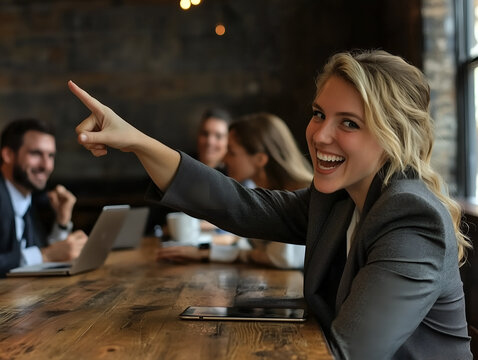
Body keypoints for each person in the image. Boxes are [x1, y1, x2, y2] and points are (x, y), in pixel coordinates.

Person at [69, 49, 473, 359]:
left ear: (393, 137)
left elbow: (350, 353)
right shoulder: (340, 200)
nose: (320, 135)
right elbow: (237, 204)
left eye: (349, 123)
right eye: (319, 114)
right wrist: (137, 141)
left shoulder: (409, 217)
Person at [156, 112, 312, 268]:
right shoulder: (265, 193)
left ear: (260, 159)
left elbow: (279, 257)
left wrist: (209, 252)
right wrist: (205, 252)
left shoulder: (299, 197)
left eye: (231, 152)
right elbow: (251, 246)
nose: (224, 159)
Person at [0, 118, 87, 277]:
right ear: (8, 155)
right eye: (36, 153)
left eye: (51, 156)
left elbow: (43, 259)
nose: (46, 166)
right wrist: (44, 255)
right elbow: (43, 256)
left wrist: (62, 222)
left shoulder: (28, 197)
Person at [195, 108, 231, 174]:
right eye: (205, 134)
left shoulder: (234, 177)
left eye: (218, 136)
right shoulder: (181, 164)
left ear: (229, 141)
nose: (209, 142)